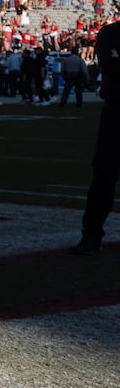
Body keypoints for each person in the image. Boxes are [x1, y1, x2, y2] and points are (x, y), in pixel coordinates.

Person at [73, 20, 119, 254]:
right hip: (116, 110)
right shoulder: (110, 32)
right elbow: (112, 65)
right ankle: (91, 234)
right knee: (104, 173)